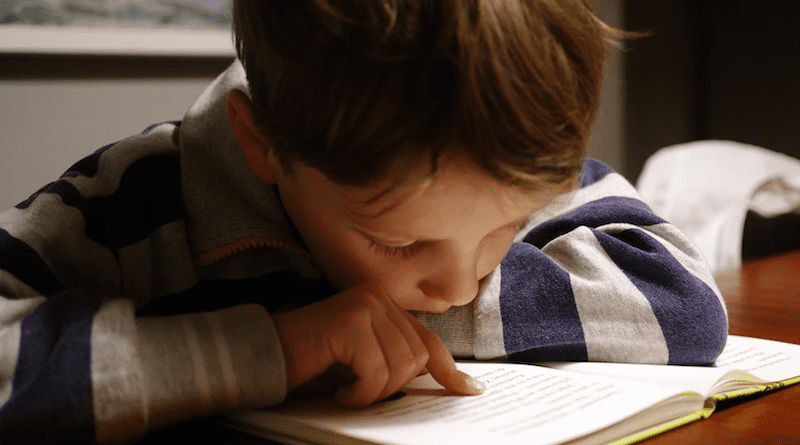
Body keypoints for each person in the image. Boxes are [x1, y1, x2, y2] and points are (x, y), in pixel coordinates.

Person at [0, 1, 728, 444]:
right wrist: (275, 345)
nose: (457, 285)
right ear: (264, 145)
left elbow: (683, 300)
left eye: (505, 227)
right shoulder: (124, 205)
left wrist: (394, 331)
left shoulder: (497, 155)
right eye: (400, 240)